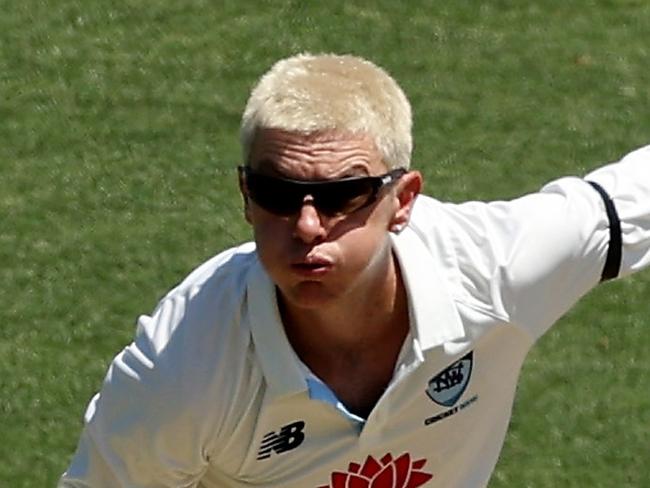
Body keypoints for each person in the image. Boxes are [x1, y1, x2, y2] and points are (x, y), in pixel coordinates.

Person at [59, 53, 650, 488]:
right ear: (245, 195)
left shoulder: (495, 270)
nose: (308, 226)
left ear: (405, 200)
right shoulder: (185, 367)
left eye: (343, 195)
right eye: (277, 192)